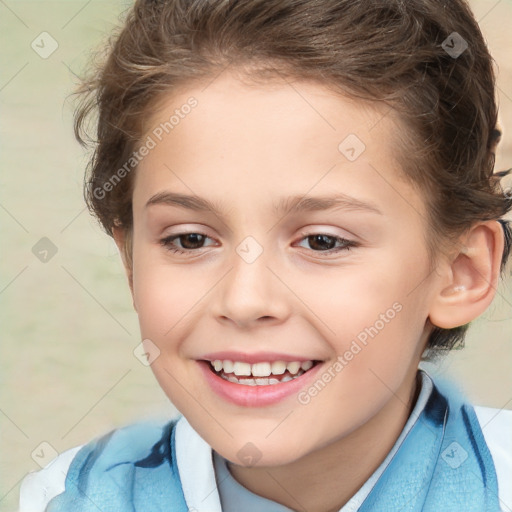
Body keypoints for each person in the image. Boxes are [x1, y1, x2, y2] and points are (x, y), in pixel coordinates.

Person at [19, 0, 512, 510]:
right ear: (131, 262)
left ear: (462, 271)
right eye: (190, 239)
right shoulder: (66, 499)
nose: (245, 299)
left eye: (323, 241)